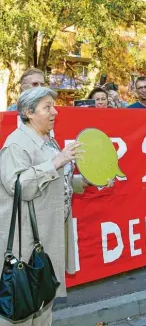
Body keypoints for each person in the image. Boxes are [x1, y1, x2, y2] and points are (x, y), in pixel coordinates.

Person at [0, 87, 84, 325]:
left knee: (43, 305)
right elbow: (19, 186)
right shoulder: (16, 144)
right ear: (28, 112)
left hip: (46, 239)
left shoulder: (47, 140)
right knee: (22, 312)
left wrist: (82, 182)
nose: (55, 112)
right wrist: (57, 161)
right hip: (25, 244)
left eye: (53, 106)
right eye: (47, 107)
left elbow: (56, 181)